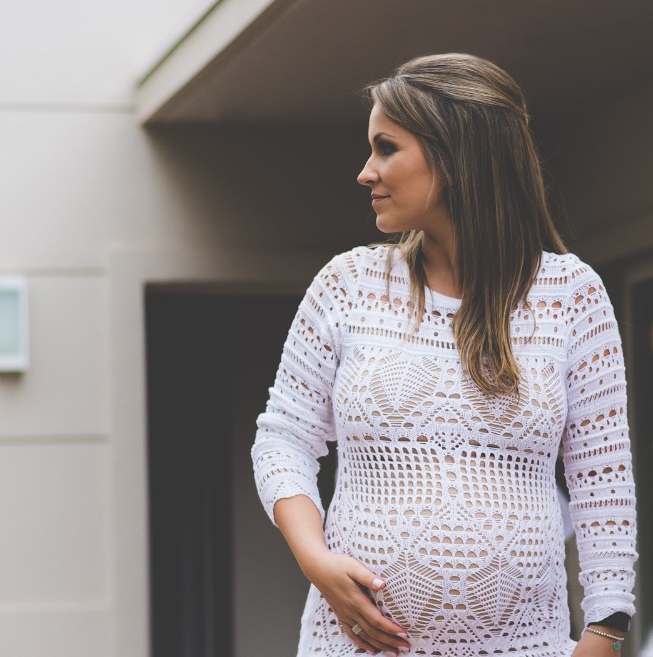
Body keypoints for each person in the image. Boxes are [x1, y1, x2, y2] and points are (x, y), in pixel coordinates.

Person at [251, 54, 637, 657]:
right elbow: (283, 439)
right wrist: (315, 559)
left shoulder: (572, 295)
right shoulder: (348, 283)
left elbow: (602, 479)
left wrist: (606, 632)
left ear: (457, 157)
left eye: (386, 149)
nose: (365, 173)